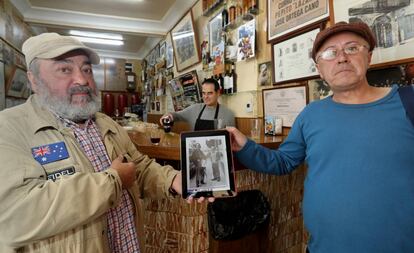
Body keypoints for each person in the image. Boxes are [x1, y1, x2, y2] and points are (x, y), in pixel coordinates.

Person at [0, 33, 199, 253]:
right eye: (65, 69)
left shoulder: (105, 122)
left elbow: (138, 167)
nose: (83, 80)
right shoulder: (9, 128)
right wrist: (113, 181)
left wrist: (173, 179)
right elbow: (15, 214)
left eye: (86, 70)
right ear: (33, 79)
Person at [227, 22, 414, 253]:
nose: (342, 57)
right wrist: (244, 145)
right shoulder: (310, 113)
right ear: (319, 69)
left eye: (352, 48)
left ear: (370, 57)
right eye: (330, 53)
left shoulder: (408, 101)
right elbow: (283, 162)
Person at [160, 78, 235, 131]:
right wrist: (168, 115)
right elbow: (177, 116)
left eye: (210, 93)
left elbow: (231, 140)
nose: (205, 97)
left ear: (218, 93)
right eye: (203, 93)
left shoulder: (228, 114)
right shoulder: (194, 109)